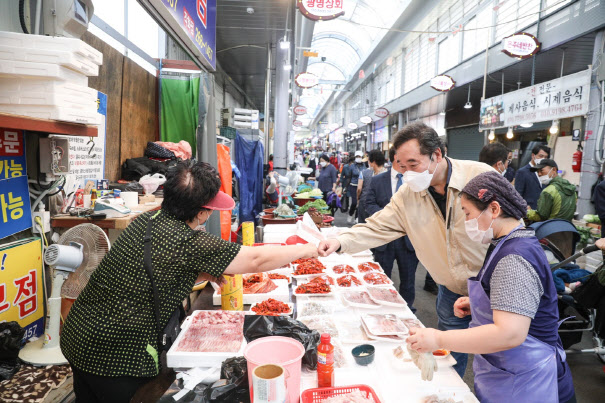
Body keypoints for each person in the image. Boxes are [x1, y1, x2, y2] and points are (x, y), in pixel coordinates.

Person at [60, 161, 317, 403]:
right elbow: (256, 260)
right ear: (203, 212)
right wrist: (306, 249)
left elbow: (151, 268)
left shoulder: (147, 221)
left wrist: (200, 272)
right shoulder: (187, 240)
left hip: (78, 334)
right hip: (114, 355)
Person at [318, 122, 493, 377]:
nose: (407, 173)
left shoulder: (479, 176)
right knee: (450, 360)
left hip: (491, 291)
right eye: (401, 166)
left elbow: (511, 230)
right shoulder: (408, 193)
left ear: (437, 154)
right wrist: (341, 241)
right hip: (451, 292)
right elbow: (378, 226)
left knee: (496, 359)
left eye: (413, 164)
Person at [406, 171, 575, 403]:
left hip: (528, 381)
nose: (466, 222)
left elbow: (510, 333)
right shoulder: (505, 241)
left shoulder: (515, 257)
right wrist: (480, 303)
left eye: (468, 214)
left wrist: (439, 339)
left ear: (494, 209)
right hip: (507, 371)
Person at [364, 147, 419, 311]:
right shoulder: (377, 180)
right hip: (384, 239)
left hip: (408, 241)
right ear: (396, 157)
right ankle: (382, 310)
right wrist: (387, 217)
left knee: (408, 281)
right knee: (381, 278)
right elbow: (368, 204)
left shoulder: (416, 181)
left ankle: (407, 312)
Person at [514, 144, 550, 209]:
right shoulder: (522, 172)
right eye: (541, 156)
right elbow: (518, 195)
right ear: (533, 156)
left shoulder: (546, 173)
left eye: (545, 157)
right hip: (528, 211)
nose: (543, 159)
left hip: (542, 212)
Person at [357, 150, 387, 224]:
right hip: (379, 209)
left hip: (375, 208)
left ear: (373, 162)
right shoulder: (388, 174)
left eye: (369, 161)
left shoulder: (365, 173)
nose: (368, 163)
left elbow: (359, 188)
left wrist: (358, 198)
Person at [346, 151, 365, 224]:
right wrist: (346, 187)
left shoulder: (364, 166)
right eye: (357, 157)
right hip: (353, 185)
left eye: (359, 157)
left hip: (362, 186)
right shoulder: (352, 166)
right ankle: (350, 214)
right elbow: (349, 177)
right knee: (354, 202)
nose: (358, 158)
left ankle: (357, 217)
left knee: (359, 203)